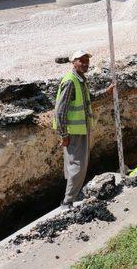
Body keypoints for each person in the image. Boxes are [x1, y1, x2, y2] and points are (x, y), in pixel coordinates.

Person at [53, 50, 113, 209]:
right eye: (82, 61)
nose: (85, 64)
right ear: (73, 62)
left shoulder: (80, 80)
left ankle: (73, 193)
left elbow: (88, 99)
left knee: (74, 164)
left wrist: (105, 93)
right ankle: (68, 201)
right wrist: (63, 135)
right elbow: (60, 111)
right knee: (77, 166)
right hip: (74, 132)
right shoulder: (70, 81)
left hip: (81, 129)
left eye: (87, 61)